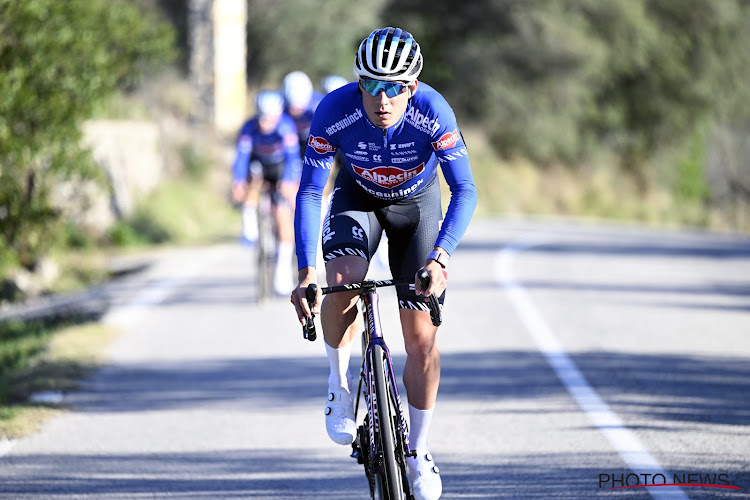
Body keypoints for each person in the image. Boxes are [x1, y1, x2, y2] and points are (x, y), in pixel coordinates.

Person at [290, 27, 477, 500]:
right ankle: (339, 382)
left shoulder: (434, 112)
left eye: (395, 87)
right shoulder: (335, 111)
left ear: (412, 87)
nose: (382, 98)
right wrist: (305, 271)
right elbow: (312, 190)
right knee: (342, 280)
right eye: (371, 85)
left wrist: (441, 256)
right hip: (356, 199)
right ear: (359, 85)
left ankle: (418, 450)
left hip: (417, 207)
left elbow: (465, 190)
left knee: (421, 339)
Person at [231, 90, 301, 295]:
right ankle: (250, 221)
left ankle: (282, 269)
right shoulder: (249, 128)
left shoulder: (286, 126)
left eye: (269, 119)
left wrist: (288, 183)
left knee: (282, 213)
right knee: (251, 180)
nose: (265, 123)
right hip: (259, 165)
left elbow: (293, 158)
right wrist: (238, 182)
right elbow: (241, 158)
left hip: (280, 168)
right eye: (262, 118)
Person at [281, 70, 324, 156]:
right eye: (292, 108)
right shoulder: (278, 105)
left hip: (314, 140)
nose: (296, 112)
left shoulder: (320, 104)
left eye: (300, 108)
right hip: (292, 143)